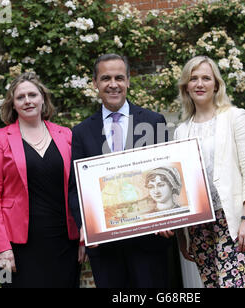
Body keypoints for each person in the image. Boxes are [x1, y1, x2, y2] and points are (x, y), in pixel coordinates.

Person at [68, 53, 173, 288]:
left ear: (128, 81)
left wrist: (169, 215)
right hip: (105, 247)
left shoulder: (153, 121)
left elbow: (164, 173)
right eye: (105, 78)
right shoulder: (81, 132)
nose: (113, 84)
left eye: (119, 77)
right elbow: (75, 188)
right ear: (95, 83)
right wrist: (85, 224)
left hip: (150, 239)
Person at [0, 72, 81, 288]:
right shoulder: (0, 139)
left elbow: (79, 189)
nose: (27, 100)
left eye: (32, 95)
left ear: (43, 99)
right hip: (17, 247)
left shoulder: (66, 135)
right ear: (13, 104)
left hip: (64, 241)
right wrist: (2, 248)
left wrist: (83, 237)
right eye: (20, 97)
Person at [174, 56, 245, 288]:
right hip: (198, 225)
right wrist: (183, 236)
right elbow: (180, 186)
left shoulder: (236, 117)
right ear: (186, 86)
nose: (200, 84)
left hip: (232, 219)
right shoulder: (181, 131)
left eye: (206, 78)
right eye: (193, 79)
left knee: (232, 285)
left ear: (216, 84)